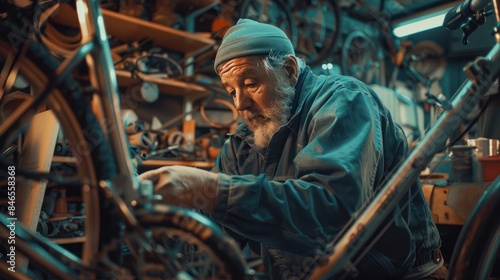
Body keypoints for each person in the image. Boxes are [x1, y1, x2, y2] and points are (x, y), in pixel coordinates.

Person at [139, 19, 447, 279]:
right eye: (231, 90)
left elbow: (331, 209)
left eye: (250, 83)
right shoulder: (243, 144)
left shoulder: (343, 101)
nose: (239, 104)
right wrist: (154, 237)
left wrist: (209, 188)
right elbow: (212, 237)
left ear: (288, 70)